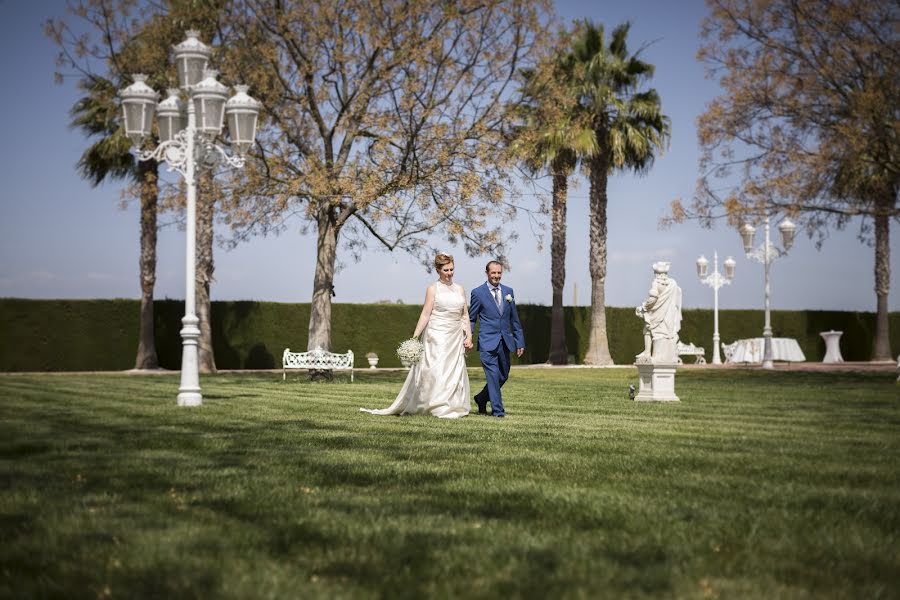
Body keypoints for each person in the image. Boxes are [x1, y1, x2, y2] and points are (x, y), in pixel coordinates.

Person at [360, 253, 472, 418]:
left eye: (452, 269)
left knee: (454, 371)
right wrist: (414, 337)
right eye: (446, 270)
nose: (450, 273)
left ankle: (451, 405)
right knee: (437, 370)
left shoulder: (460, 289)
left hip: (455, 336)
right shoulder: (433, 289)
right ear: (438, 270)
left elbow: (464, 316)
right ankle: (434, 405)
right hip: (437, 335)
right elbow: (426, 314)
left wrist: (468, 336)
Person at [469, 260, 525, 417]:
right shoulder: (477, 293)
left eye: (499, 273)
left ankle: (481, 398)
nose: (496, 276)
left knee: (503, 375)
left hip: (506, 341)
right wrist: (468, 337)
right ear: (487, 273)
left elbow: (514, 319)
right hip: (487, 342)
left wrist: (519, 341)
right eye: (493, 273)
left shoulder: (509, 291)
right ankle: (498, 411)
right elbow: (471, 318)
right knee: (493, 375)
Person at [635, 261, 682, 363]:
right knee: (658, 330)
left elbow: (653, 299)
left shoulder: (656, 283)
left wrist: (644, 307)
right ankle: (648, 352)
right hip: (669, 314)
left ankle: (647, 352)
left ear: (656, 273)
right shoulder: (673, 283)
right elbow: (677, 299)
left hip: (657, 312)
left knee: (647, 328)